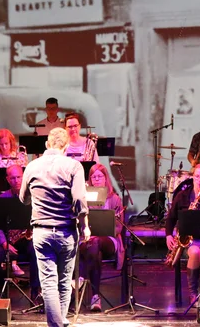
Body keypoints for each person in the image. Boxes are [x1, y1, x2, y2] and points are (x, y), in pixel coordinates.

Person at [20, 127, 90, 327]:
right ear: (66, 146)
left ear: (46, 144)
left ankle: (57, 323)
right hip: (66, 231)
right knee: (64, 280)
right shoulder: (74, 166)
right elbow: (79, 200)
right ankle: (59, 323)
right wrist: (85, 225)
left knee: (49, 282)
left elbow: (23, 199)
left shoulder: (31, 166)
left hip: (41, 232)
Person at [165, 163, 200, 304]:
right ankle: (193, 294)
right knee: (195, 252)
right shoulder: (182, 196)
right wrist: (168, 235)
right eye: (196, 176)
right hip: (189, 242)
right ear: (192, 176)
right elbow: (171, 218)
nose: (199, 180)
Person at [0, 165, 40, 299]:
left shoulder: (34, 196)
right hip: (9, 241)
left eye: (18, 177)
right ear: (8, 179)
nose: (16, 181)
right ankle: (2, 285)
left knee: (36, 253)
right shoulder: (2, 199)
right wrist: (4, 243)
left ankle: (35, 292)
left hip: (27, 239)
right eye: (13, 178)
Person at [79, 164, 125, 312]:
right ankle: (95, 297)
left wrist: (104, 229)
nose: (96, 179)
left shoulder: (114, 199)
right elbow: (78, 221)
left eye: (100, 176)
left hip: (109, 240)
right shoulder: (84, 197)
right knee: (95, 252)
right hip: (88, 240)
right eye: (93, 176)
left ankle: (81, 278)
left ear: (106, 178)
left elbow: (119, 226)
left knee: (97, 241)